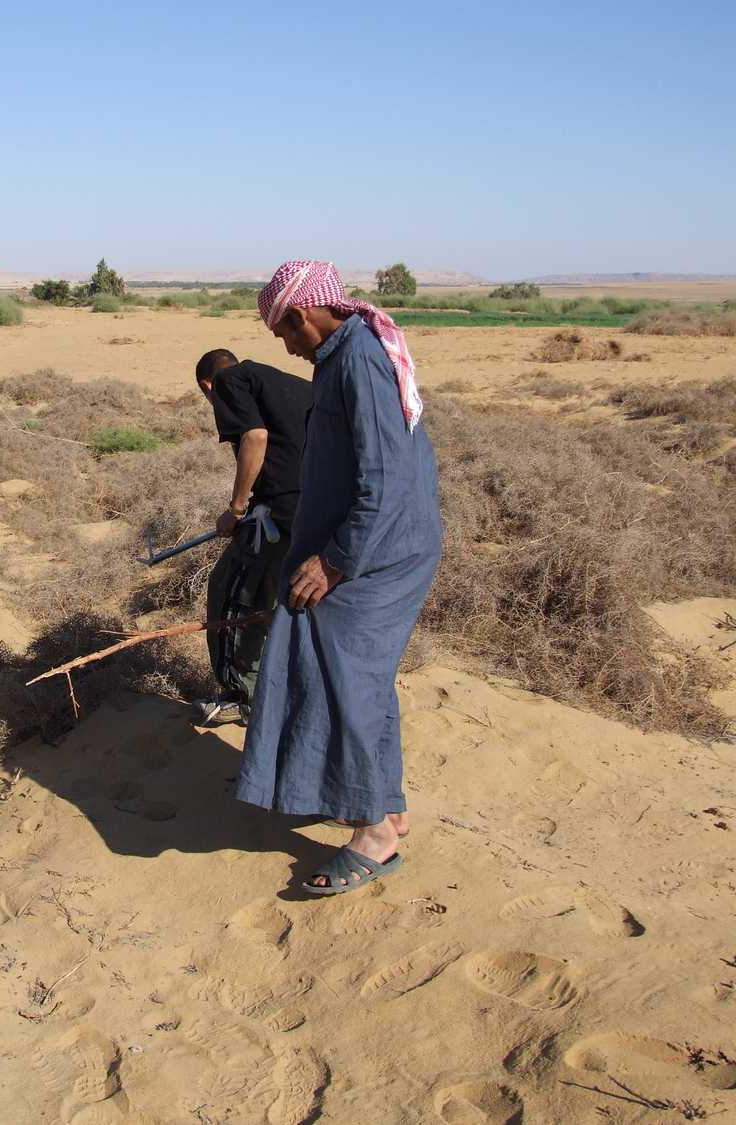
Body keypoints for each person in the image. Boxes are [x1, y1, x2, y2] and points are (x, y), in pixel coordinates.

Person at [235, 260, 442, 895]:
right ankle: (387, 805)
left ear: (302, 315)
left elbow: (383, 478)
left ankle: (373, 834)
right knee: (361, 678)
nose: (288, 350)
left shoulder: (358, 360)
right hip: (373, 544)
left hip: (376, 553)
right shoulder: (344, 353)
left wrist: (334, 560)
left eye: (284, 334)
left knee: (339, 679)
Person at [191, 348, 312, 726]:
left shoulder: (227, 381)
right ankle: (289, 690)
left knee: (232, 595)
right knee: (286, 604)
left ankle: (242, 697)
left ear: (206, 385)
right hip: (317, 512)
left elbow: (255, 437)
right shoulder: (291, 384)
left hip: (279, 515)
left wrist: (237, 508)